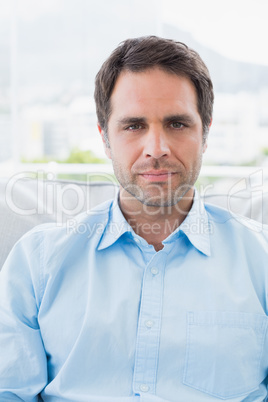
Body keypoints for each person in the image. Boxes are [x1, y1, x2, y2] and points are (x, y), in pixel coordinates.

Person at [0, 36, 268, 402]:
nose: (156, 148)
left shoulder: (261, 260)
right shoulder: (35, 263)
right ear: (105, 138)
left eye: (176, 124)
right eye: (133, 126)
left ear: (205, 133)